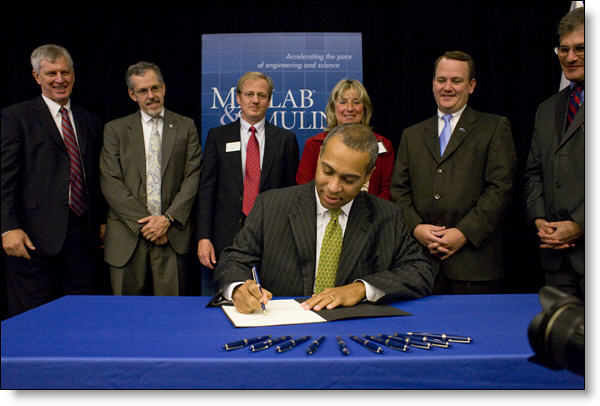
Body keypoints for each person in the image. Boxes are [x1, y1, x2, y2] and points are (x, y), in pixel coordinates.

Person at [214, 123, 434, 314]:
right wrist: (239, 288)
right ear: (319, 158)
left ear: (368, 176)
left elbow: (419, 271)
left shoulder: (388, 217)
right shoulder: (271, 206)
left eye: (349, 179)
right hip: (281, 332)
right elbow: (233, 261)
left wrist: (359, 289)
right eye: (328, 171)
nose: (333, 187)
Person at [390, 50, 517, 294]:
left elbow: (500, 189)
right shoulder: (412, 134)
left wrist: (463, 233)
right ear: (433, 84)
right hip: (421, 264)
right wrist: (417, 228)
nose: (447, 87)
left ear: (471, 85)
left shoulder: (494, 127)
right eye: (441, 80)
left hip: (475, 265)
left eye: (456, 81)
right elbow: (399, 190)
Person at [1, 44, 105, 317]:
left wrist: (102, 221)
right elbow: (5, 178)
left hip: (82, 239)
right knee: (32, 319)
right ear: (37, 77)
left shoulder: (90, 121)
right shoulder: (16, 117)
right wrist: (8, 227)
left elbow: (95, 178)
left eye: (65, 72)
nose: (60, 79)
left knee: (81, 316)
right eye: (51, 73)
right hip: (32, 240)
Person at [100, 61, 201, 296]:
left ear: (164, 88)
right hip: (127, 237)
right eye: (143, 91)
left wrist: (166, 219)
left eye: (155, 88)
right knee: (125, 318)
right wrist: (148, 225)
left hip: (172, 234)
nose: (151, 95)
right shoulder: (115, 130)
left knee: (171, 318)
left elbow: (193, 175)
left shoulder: (186, 126)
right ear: (132, 95)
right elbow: (110, 181)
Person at [196, 72, 299, 293]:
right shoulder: (218, 136)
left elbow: (291, 195)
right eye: (249, 94)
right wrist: (204, 237)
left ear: (269, 100)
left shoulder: (285, 140)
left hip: (272, 237)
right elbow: (207, 190)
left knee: (270, 302)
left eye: (262, 95)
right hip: (225, 238)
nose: (255, 100)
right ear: (238, 97)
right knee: (231, 300)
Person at [523, 7, 584, 299]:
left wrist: (580, 224)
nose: (570, 57)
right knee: (560, 343)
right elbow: (534, 172)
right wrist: (540, 220)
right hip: (555, 260)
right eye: (564, 49)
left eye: (581, 48)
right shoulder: (547, 109)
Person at [296, 79, 394, 200]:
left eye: (356, 102)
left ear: (364, 108)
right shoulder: (314, 144)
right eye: (343, 102)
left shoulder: (383, 145)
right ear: (333, 107)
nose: (350, 108)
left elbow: (387, 189)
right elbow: (304, 187)